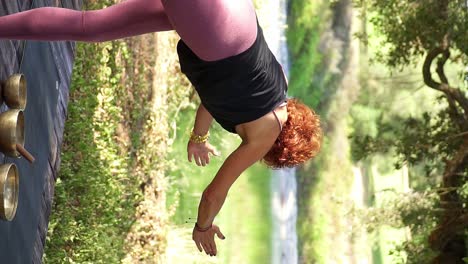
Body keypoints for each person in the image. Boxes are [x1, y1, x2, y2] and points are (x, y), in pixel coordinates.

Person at [0, 0, 322, 257]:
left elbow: (217, 95)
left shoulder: (275, 86)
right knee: (90, 28)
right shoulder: (265, 135)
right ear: (281, 153)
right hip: (215, 24)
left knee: (91, 28)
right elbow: (214, 193)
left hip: (228, 18)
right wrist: (202, 226)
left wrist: (198, 137)